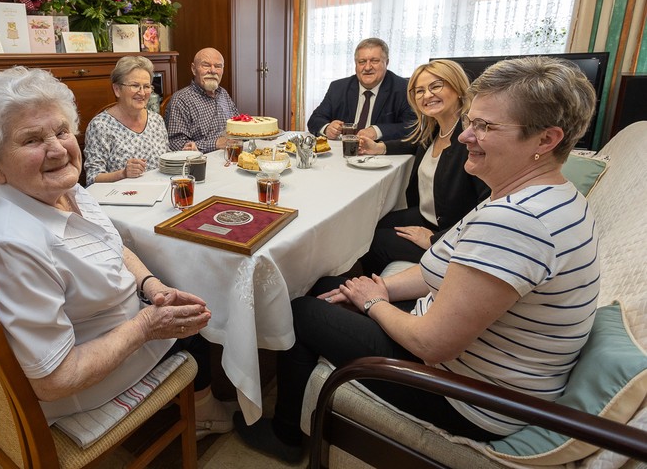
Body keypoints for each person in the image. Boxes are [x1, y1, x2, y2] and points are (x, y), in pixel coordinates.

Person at [235, 57, 599, 462]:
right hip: (478, 366)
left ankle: (287, 436)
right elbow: (438, 271)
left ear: (546, 140)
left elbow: (431, 344)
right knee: (327, 285)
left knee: (301, 310)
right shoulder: (542, 197)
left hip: (470, 399)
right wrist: (383, 286)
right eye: (471, 122)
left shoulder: (517, 221)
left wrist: (372, 303)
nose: (465, 137)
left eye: (485, 127)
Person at [0, 66, 234, 437]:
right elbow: (55, 379)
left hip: (113, 322)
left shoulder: (58, 187)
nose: (57, 149)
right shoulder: (10, 242)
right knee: (197, 328)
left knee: (182, 296)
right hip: (82, 380)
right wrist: (148, 325)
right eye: (31, 140)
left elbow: (112, 246)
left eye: (61, 131)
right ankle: (202, 414)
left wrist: (150, 287)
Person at [357, 60, 489, 275]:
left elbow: (487, 206)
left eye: (436, 86)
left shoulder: (472, 141)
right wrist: (379, 147)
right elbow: (412, 143)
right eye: (419, 91)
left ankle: (386, 289)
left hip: (452, 234)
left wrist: (433, 239)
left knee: (374, 242)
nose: (426, 95)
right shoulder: (437, 129)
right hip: (429, 215)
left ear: (457, 88)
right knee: (370, 222)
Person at [306, 38, 415, 141]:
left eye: (374, 61)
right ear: (356, 64)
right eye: (362, 62)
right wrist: (327, 128)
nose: (367, 67)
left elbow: (412, 127)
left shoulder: (403, 88)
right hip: (343, 152)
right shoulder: (338, 88)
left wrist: (377, 131)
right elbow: (315, 119)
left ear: (386, 62)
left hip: (381, 156)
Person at [83, 56, 169, 186]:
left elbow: (166, 161)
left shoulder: (156, 120)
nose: (142, 92)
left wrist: (185, 155)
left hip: (161, 192)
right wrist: (123, 174)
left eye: (146, 86)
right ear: (117, 89)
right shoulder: (100, 126)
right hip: (123, 199)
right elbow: (92, 178)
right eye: (135, 86)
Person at [165, 47, 239, 153]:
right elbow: (176, 144)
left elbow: (238, 125)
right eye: (206, 65)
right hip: (200, 164)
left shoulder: (223, 94)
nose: (213, 71)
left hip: (231, 156)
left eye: (218, 66)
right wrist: (215, 144)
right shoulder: (181, 100)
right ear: (194, 69)